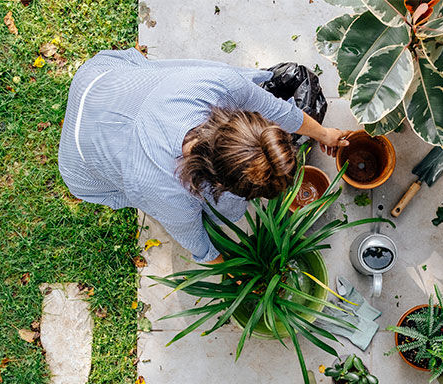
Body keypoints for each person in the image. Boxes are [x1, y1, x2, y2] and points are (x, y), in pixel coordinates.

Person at [58, 48, 351, 264]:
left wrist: (325, 135)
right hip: (84, 146)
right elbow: (196, 242)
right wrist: (230, 270)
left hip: (105, 84)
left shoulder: (218, 84)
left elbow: (279, 110)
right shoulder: (165, 190)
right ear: (218, 185)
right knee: (221, 215)